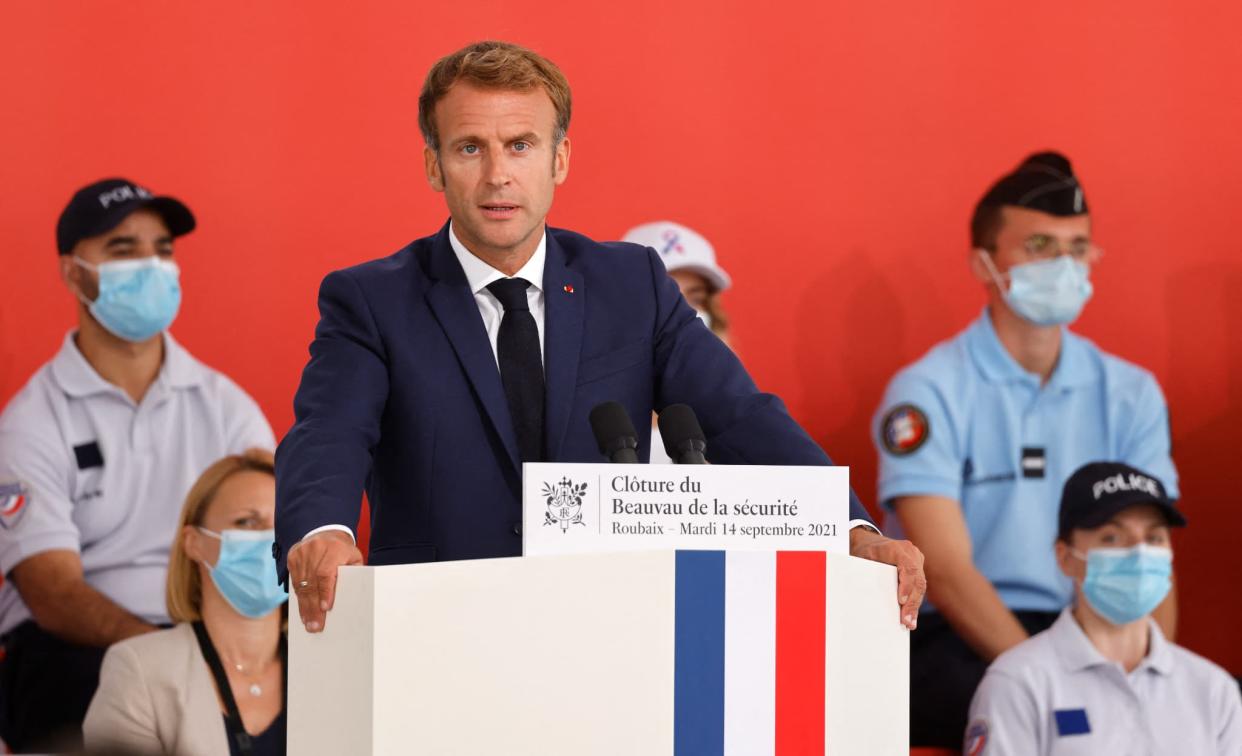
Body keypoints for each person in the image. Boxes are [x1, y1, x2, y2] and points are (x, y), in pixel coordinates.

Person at [276, 40, 926, 637]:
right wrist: (322, 530)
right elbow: (329, 433)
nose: (498, 174)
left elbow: (738, 417)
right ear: (433, 164)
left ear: (559, 159)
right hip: (436, 625)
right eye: (470, 147)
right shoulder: (371, 298)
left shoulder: (630, 283)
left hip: (610, 624)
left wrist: (849, 527)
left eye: (521, 145)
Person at [871, 151, 1179, 747]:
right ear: (983, 264)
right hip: (955, 637)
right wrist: (1049, 678)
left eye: (1077, 245)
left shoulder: (1131, 393)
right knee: (1052, 723)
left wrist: (1154, 673)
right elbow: (947, 571)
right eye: (1038, 245)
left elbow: (1153, 560)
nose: (1063, 264)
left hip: (1094, 630)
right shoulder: (928, 390)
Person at [0, 178, 275, 751]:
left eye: (163, 249)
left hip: (214, 630)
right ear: (74, 273)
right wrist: (166, 654)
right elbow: (52, 593)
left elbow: (274, 536)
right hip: (76, 650)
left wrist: (212, 648)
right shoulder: (33, 421)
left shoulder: (224, 405)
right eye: (123, 250)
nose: (151, 265)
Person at [964, 462, 1241, 754]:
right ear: (1065, 556)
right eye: (1112, 537)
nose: (1138, 553)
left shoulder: (1213, 689)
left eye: (1154, 538)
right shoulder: (1018, 682)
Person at [84, 449, 288, 756]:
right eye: (246, 522)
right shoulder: (139, 670)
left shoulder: (335, 665)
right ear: (194, 542)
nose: (269, 538)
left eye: (282, 524)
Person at [622, 220, 732, 463]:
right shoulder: (589, 419)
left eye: (696, 297)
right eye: (666, 297)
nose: (683, 313)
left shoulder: (735, 424)